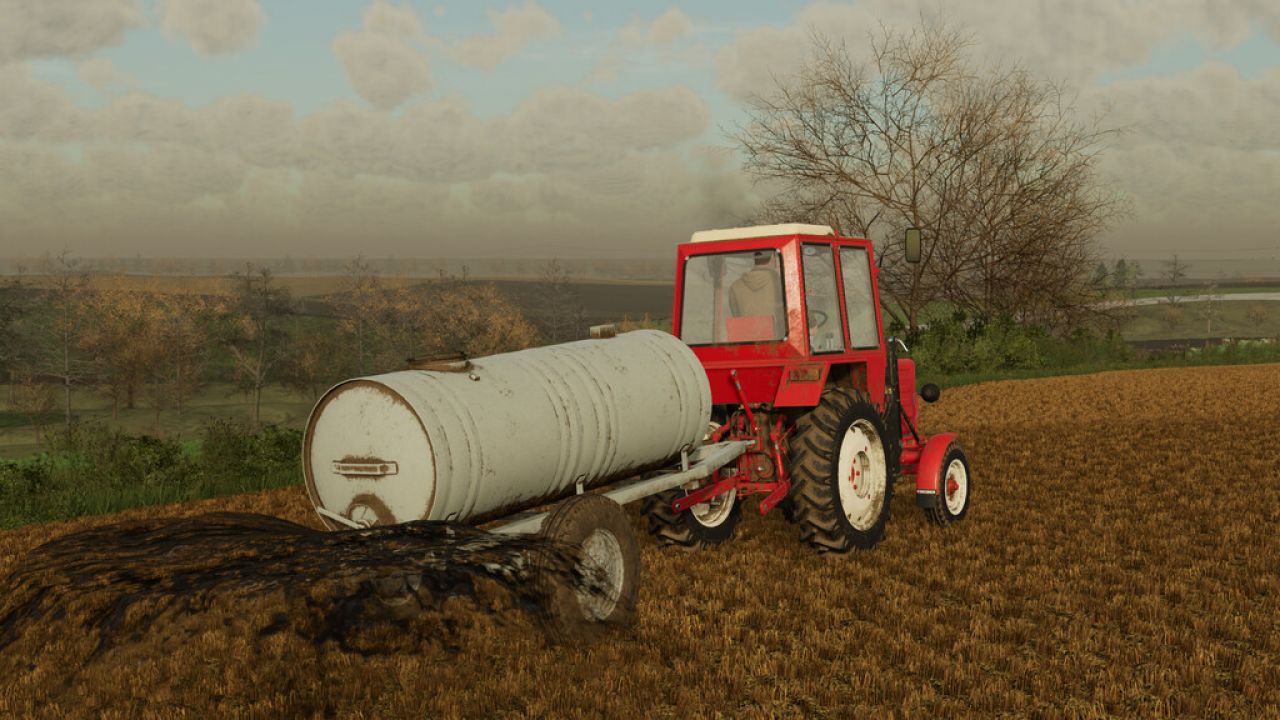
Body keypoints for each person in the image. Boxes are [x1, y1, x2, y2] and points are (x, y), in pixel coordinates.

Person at [728, 251, 784, 338]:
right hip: (777, 345)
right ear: (773, 258)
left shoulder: (735, 287)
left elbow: (737, 318)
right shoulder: (782, 283)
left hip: (749, 344)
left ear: (754, 259)